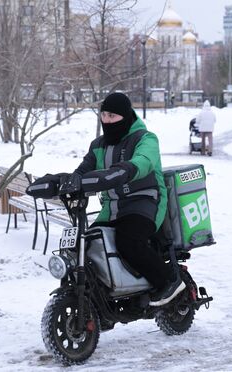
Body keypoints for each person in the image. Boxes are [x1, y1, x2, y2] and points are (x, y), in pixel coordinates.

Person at [60, 92, 184, 307]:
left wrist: (127, 169)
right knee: (89, 244)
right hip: (113, 207)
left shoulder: (145, 138)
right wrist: (72, 180)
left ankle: (168, 281)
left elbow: (144, 160)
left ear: (126, 116)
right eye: (104, 115)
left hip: (145, 202)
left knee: (129, 241)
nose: (107, 121)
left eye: (113, 117)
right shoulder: (98, 145)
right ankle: (100, 294)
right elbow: (84, 168)